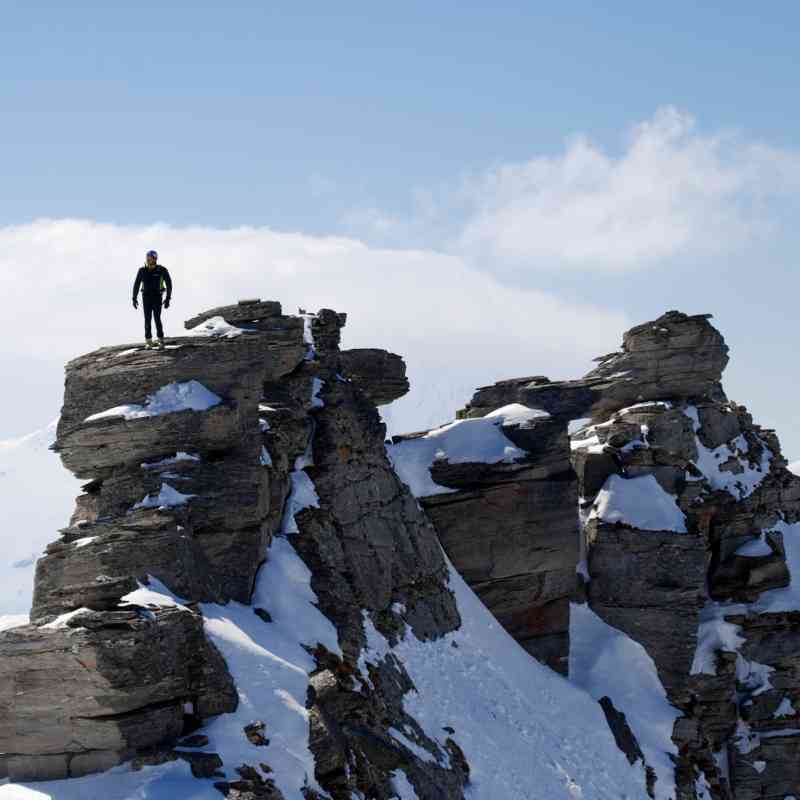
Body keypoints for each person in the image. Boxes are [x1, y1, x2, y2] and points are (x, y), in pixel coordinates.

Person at [132, 250, 172, 348]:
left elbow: (169, 284)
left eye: (151, 257)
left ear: (155, 258)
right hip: (146, 297)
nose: (149, 259)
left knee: (157, 318)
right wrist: (134, 298)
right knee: (147, 319)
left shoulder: (161, 270)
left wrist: (168, 299)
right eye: (147, 257)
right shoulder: (142, 270)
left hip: (157, 297)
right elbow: (136, 284)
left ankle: (161, 340)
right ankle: (148, 341)